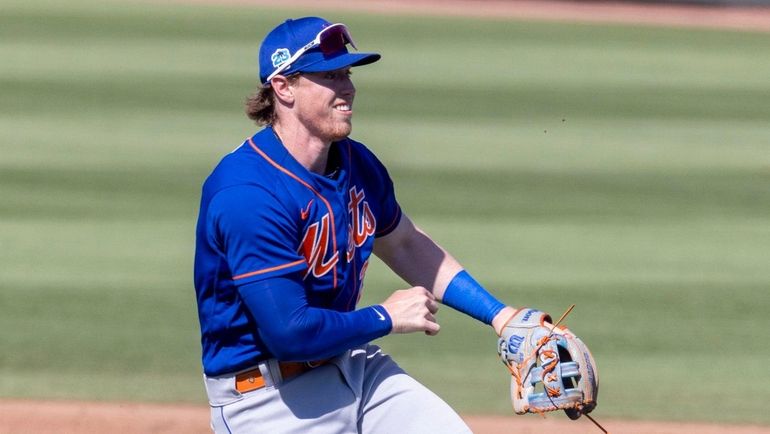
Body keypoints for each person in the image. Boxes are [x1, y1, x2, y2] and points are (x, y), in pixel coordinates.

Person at [193, 16, 519, 433]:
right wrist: (385, 316)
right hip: (269, 400)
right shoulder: (247, 193)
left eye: (346, 73)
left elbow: (403, 243)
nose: (347, 88)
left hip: (355, 367)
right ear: (283, 87)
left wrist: (502, 316)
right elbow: (289, 333)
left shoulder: (356, 162)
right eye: (328, 75)